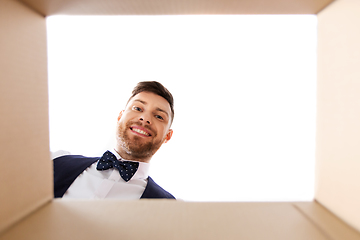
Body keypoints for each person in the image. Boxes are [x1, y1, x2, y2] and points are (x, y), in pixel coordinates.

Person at [53, 81, 175, 199]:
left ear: (167, 136)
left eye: (159, 116)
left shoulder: (169, 206)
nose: (145, 118)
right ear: (120, 116)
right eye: (138, 108)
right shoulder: (55, 162)